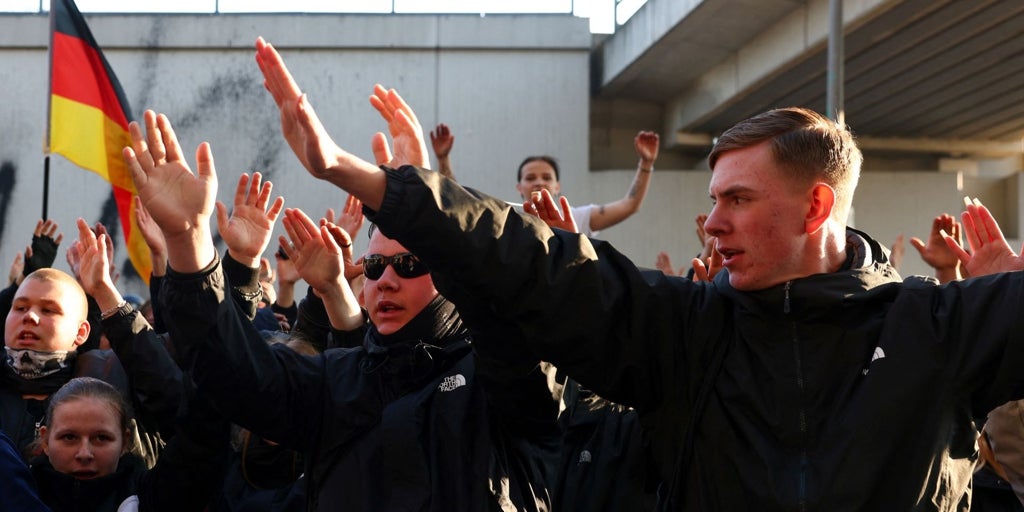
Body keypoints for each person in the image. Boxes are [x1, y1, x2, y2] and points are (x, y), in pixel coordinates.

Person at [252, 36, 1024, 510]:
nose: (713, 221)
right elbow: (534, 261)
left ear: (817, 205)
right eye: (713, 198)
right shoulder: (684, 330)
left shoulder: (935, 328)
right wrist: (368, 177)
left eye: (739, 200)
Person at [121, 108, 562, 511]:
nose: (386, 279)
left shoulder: (498, 374)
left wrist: (427, 209)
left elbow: (518, 329)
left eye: (410, 265)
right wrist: (189, 241)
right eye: (373, 266)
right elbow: (230, 371)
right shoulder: (336, 380)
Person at [31, 376, 229, 512]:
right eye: (69, 437)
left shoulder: (148, 498)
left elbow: (199, 438)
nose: (85, 454)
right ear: (46, 440)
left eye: (101, 438)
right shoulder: (19, 492)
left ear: (125, 441)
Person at [515, 129, 658, 237]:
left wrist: (646, 163)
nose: (539, 182)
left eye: (547, 178)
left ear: (557, 187)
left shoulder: (576, 218)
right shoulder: (508, 224)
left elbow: (629, 205)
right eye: (530, 178)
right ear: (519, 187)